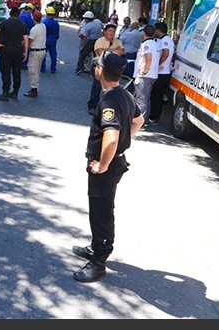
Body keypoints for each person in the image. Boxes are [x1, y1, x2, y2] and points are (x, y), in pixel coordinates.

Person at [72, 51, 144, 282]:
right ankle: (96, 247)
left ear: (100, 71)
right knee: (99, 208)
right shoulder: (123, 93)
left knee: (102, 212)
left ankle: (99, 261)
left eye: (97, 65)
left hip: (108, 165)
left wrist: (103, 164)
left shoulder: (109, 100)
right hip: (116, 160)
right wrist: (124, 142)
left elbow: (111, 138)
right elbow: (138, 121)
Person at [0, 6, 30, 101]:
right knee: (17, 72)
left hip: (6, 50)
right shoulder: (23, 25)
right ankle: (15, 92)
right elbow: (26, 40)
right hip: (18, 51)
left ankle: (5, 92)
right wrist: (25, 52)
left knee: (6, 71)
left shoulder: (5, 23)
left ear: (10, 14)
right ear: (19, 15)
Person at [87, 23, 125, 114]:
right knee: (97, 87)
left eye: (113, 31)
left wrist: (107, 51)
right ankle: (93, 106)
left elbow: (122, 52)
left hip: (112, 68)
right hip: (101, 67)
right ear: (105, 32)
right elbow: (100, 54)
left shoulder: (118, 42)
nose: (112, 33)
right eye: (109, 31)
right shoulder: (99, 41)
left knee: (112, 88)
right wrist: (114, 51)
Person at [133, 25, 159, 130]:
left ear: (144, 33)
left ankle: (139, 123)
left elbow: (148, 58)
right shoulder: (155, 44)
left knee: (141, 100)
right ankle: (145, 120)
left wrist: (144, 70)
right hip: (152, 75)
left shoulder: (146, 44)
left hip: (145, 76)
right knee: (146, 98)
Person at [148, 21, 174, 124]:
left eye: (155, 30)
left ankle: (154, 117)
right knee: (155, 95)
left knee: (156, 96)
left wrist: (157, 64)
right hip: (161, 72)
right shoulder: (161, 40)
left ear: (158, 30)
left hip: (162, 73)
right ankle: (154, 115)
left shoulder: (165, 41)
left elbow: (166, 54)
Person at [24, 10, 46, 98]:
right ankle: (34, 87)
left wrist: (24, 47)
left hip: (35, 51)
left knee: (33, 70)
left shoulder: (34, 29)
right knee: (37, 70)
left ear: (33, 18)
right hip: (42, 50)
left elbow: (30, 41)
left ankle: (34, 89)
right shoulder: (43, 26)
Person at [75, 11, 104, 75]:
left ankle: (79, 69)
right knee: (96, 57)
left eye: (85, 18)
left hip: (91, 41)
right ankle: (93, 71)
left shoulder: (87, 27)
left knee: (82, 54)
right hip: (99, 41)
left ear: (87, 19)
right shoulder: (98, 22)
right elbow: (103, 29)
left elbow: (85, 38)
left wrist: (82, 46)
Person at [41, 5, 61, 74]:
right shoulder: (56, 23)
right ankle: (53, 69)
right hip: (53, 40)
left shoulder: (44, 22)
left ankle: (42, 68)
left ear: (47, 13)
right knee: (53, 54)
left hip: (45, 39)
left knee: (43, 54)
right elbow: (57, 33)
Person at [19, 3, 35, 70]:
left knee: (19, 49)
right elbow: (32, 25)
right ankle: (24, 64)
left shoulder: (21, 15)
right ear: (30, 10)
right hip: (26, 35)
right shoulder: (28, 16)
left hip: (19, 34)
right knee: (26, 50)